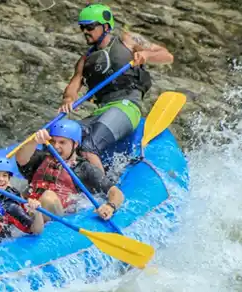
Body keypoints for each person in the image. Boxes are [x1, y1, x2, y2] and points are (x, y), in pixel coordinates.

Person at [59, 4, 174, 172]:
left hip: (126, 106)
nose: (85, 31)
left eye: (90, 26)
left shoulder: (127, 40)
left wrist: (147, 55)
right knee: (66, 139)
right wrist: (68, 100)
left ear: (105, 26)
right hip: (102, 110)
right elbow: (74, 85)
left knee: (88, 146)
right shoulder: (85, 60)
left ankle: (107, 192)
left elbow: (167, 56)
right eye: (82, 27)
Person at [15, 119, 123, 220]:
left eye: (62, 142)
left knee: (48, 197)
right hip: (29, 206)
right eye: (53, 141)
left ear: (75, 144)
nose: (56, 146)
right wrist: (33, 141)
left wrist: (110, 206)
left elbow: (116, 192)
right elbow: (21, 158)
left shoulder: (84, 168)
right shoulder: (41, 158)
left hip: (57, 214)